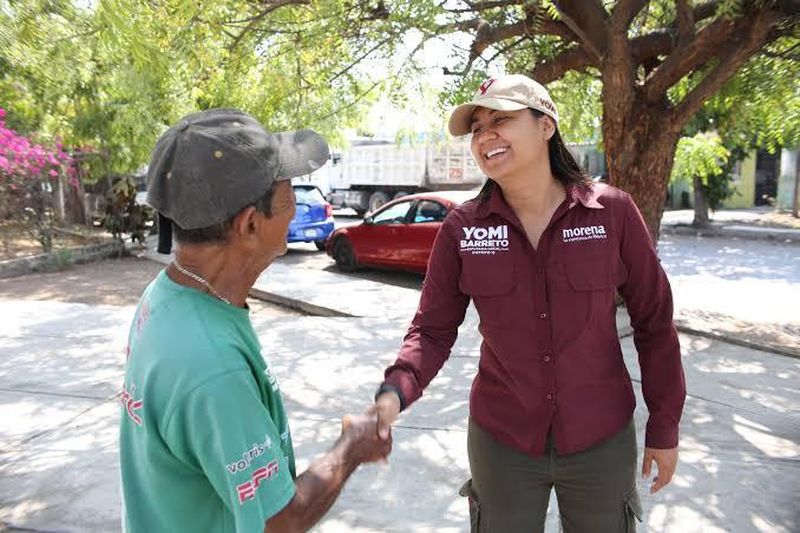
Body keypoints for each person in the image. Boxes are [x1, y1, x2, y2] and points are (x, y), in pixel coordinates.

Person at [371, 75, 686, 532]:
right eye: (477, 128)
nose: (485, 136)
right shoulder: (463, 229)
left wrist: (664, 425)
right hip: (503, 441)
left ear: (546, 126)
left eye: (501, 120)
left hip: (601, 437)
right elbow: (432, 330)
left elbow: (654, 322)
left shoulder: (613, 213)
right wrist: (394, 393)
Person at [119, 108, 391, 533]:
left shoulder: (165, 295)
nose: (294, 205)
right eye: (288, 194)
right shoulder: (212, 367)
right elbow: (277, 521)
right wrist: (351, 447)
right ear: (249, 224)